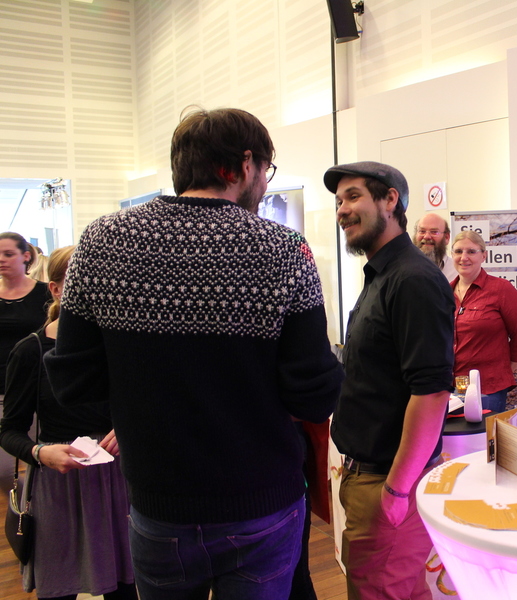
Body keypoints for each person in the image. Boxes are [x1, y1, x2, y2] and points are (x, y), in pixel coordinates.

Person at [45, 106, 344, 600]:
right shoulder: (284, 250)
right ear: (243, 165)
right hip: (262, 502)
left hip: (159, 504)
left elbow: (73, 384)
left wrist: (144, 400)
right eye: (265, 170)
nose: (264, 183)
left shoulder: (100, 242)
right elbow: (313, 395)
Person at [327, 160, 454, 600]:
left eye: (353, 196)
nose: (342, 209)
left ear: (390, 200)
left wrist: (397, 490)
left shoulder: (412, 279)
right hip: (371, 478)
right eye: (339, 201)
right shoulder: (383, 275)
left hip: (389, 482)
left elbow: (432, 393)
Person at [0, 245, 136, 600]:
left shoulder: (121, 347)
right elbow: (9, 430)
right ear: (56, 289)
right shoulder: (31, 351)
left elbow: (147, 409)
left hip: (119, 482)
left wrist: (128, 428)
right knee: (58, 588)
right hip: (58, 487)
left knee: (125, 588)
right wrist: (40, 453)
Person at [450, 230, 517, 413]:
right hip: (451, 387)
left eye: (471, 251)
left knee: (484, 433)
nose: (464, 257)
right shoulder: (444, 292)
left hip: (488, 389)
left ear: (484, 256)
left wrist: (502, 371)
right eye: (458, 251)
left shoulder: (501, 290)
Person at [0, 232, 52, 397]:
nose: (1, 259)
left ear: (26, 256)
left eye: (8, 254)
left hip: (35, 381)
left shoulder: (46, 293)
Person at [414, 213, 456, 281]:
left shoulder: (457, 271)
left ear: (446, 237)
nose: (427, 236)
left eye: (434, 232)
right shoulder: (403, 267)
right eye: (422, 231)